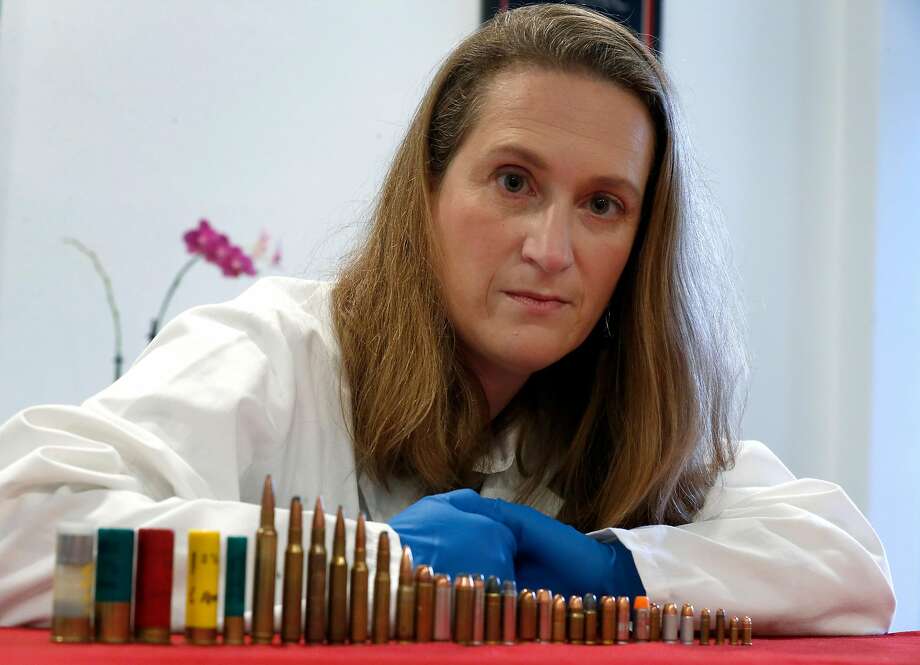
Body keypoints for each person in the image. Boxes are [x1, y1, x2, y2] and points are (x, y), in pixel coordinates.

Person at [0, 4, 894, 635]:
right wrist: (373, 564)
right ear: (426, 191)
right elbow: (26, 530)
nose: (552, 247)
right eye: (514, 182)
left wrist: (627, 570)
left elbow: (849, 567)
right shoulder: (277, 351)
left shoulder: (628, 415)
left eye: (603, 204)